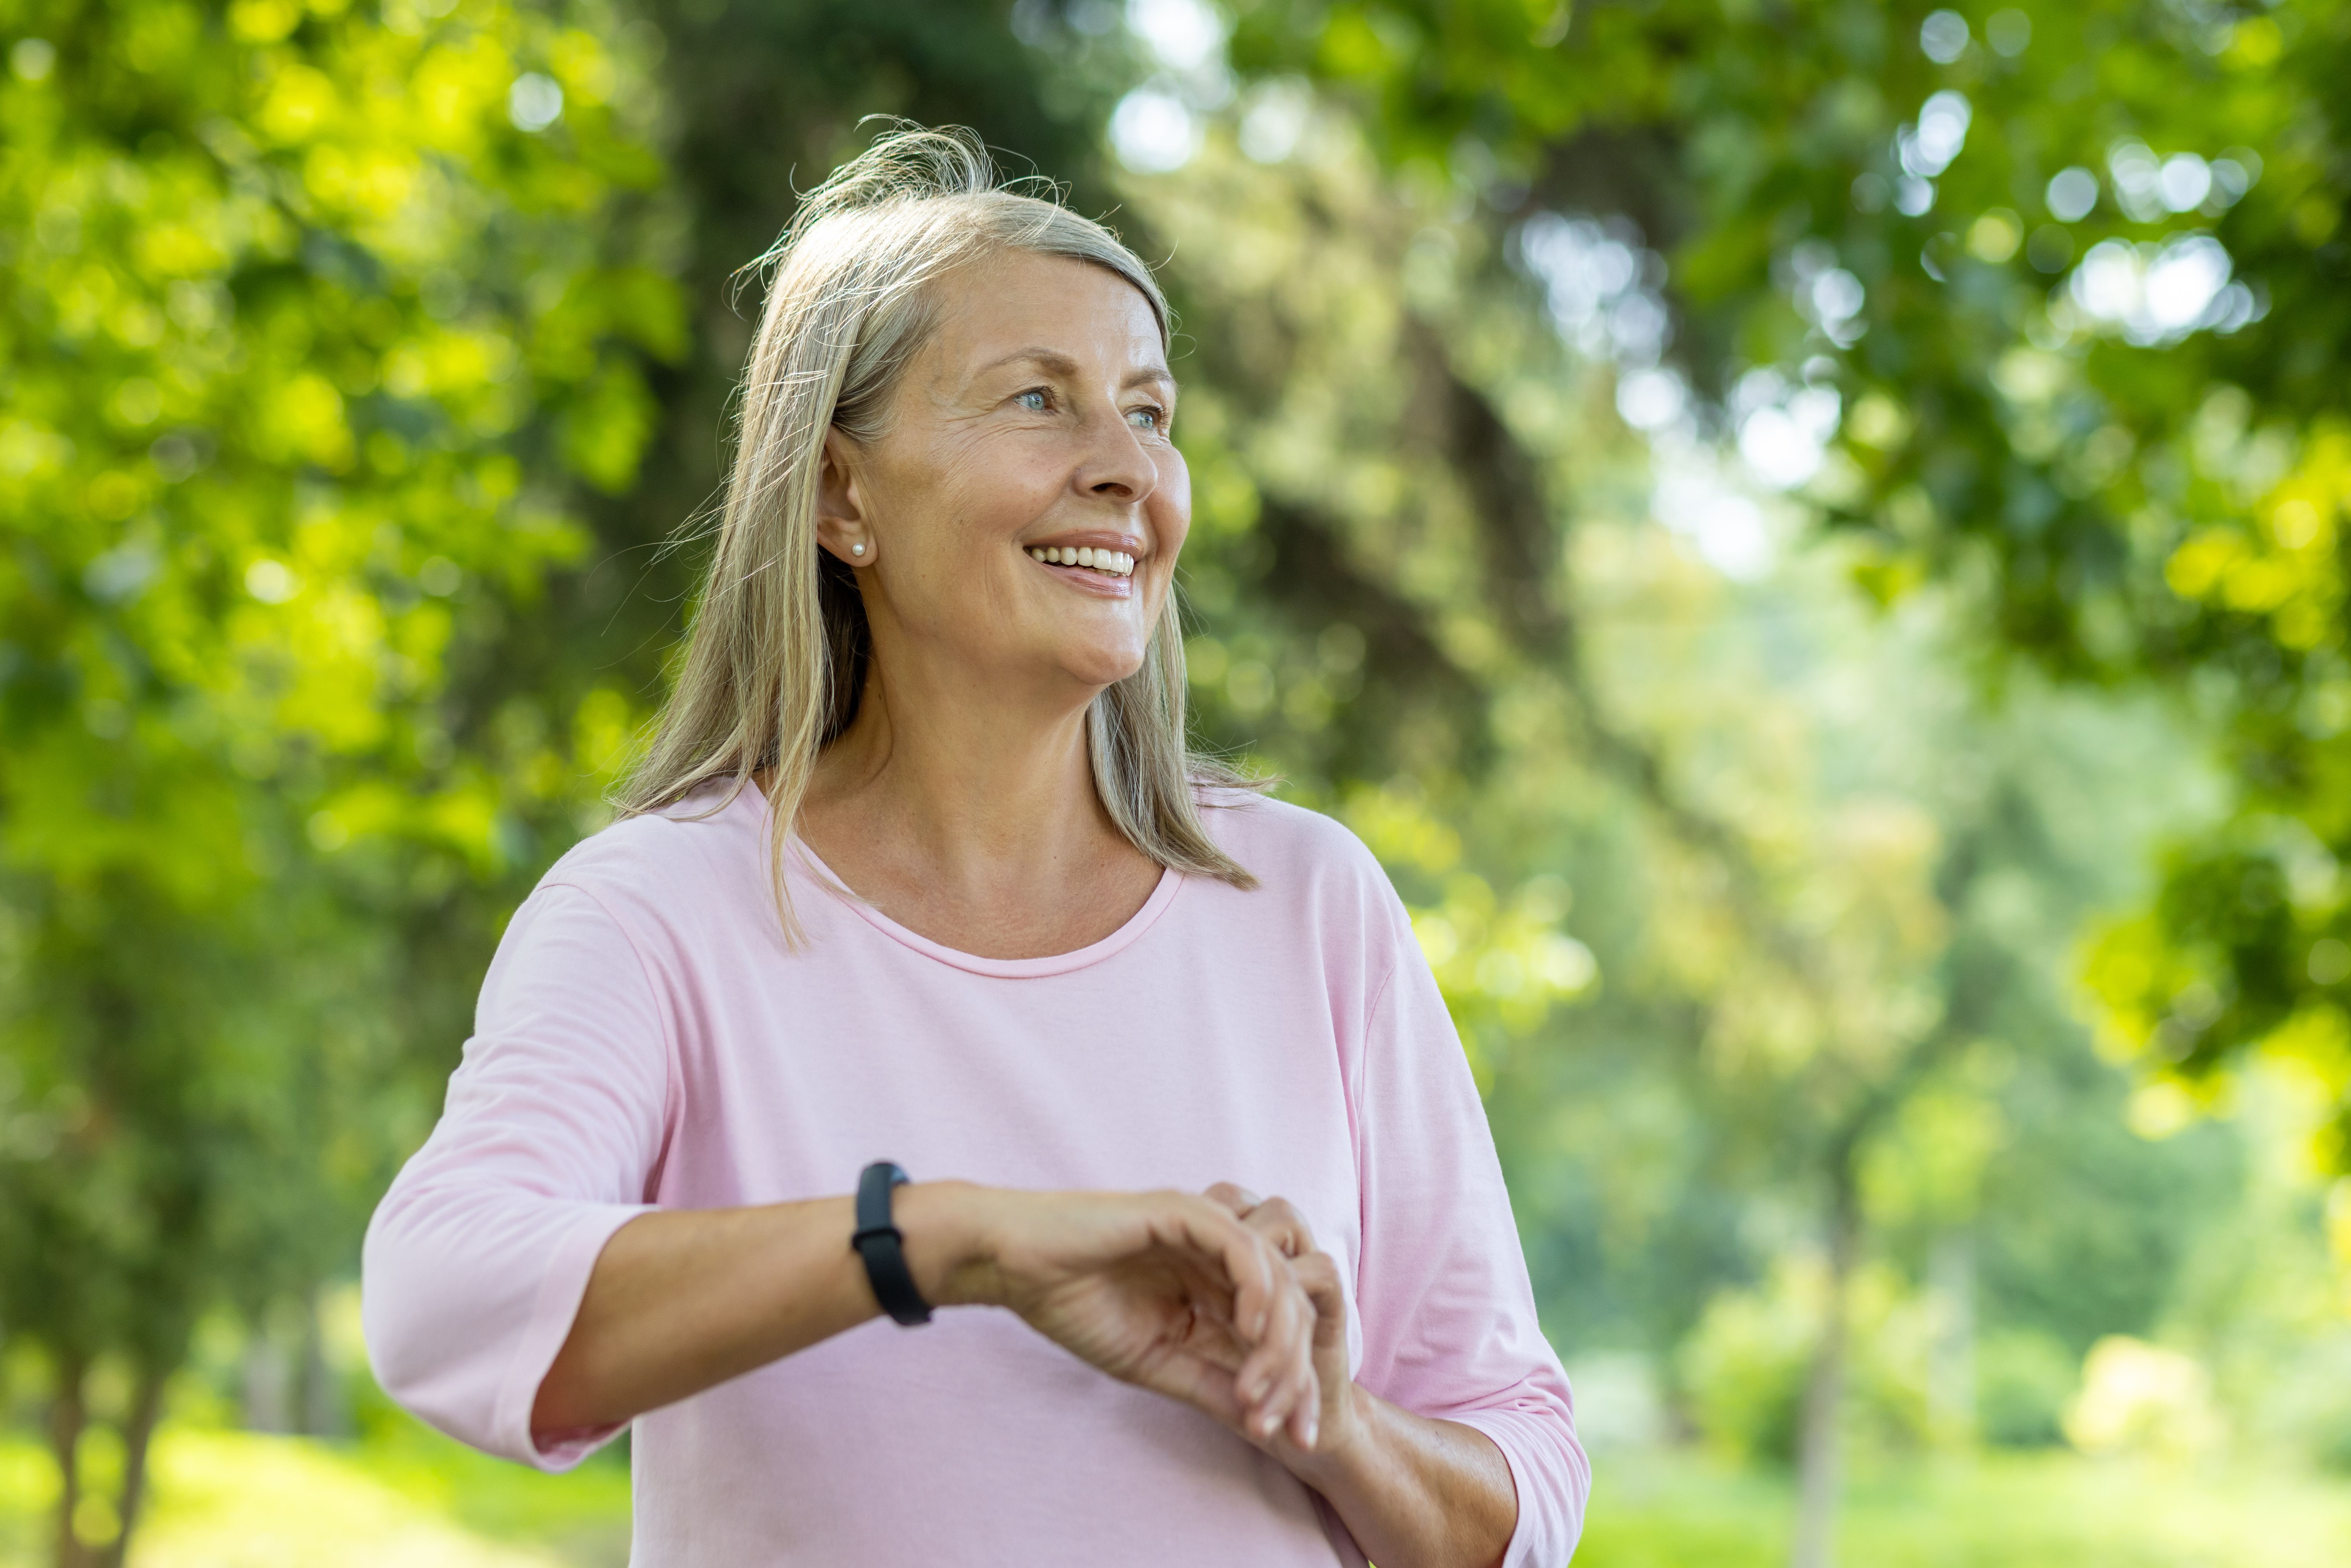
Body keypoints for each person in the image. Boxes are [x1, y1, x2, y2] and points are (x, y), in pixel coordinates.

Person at [361, 126, 1586, 1568]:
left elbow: (1522, 1488)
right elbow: (444, 1304)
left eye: (1148, 411)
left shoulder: (1306, 902)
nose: (1126, 470)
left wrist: (1324, 1424)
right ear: (838, 498)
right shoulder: (663, 911)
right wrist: (944, 1242)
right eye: (1036, 402)